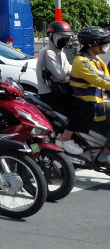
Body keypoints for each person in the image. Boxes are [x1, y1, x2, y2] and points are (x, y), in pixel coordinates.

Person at [36, 21, 87, 155]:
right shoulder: (48, 52)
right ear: (51, 36)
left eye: (67, 38)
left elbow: (69, 71)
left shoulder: (60, 52)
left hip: (61, 90)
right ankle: (65, 139)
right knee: (85, 107)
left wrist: (65, 76)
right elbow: (61, 74)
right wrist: (64, 76)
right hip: (50, 94)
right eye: (62, 37)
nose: (65, 41)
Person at [69, 26, 110, 164]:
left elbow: (107, 78)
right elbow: (101, 80)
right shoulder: (82, 61)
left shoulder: (97, 60)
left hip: (100, 101)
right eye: (103, 43)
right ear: (92, 44)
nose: (106, 45)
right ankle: (105, 154)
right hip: (91, 105)